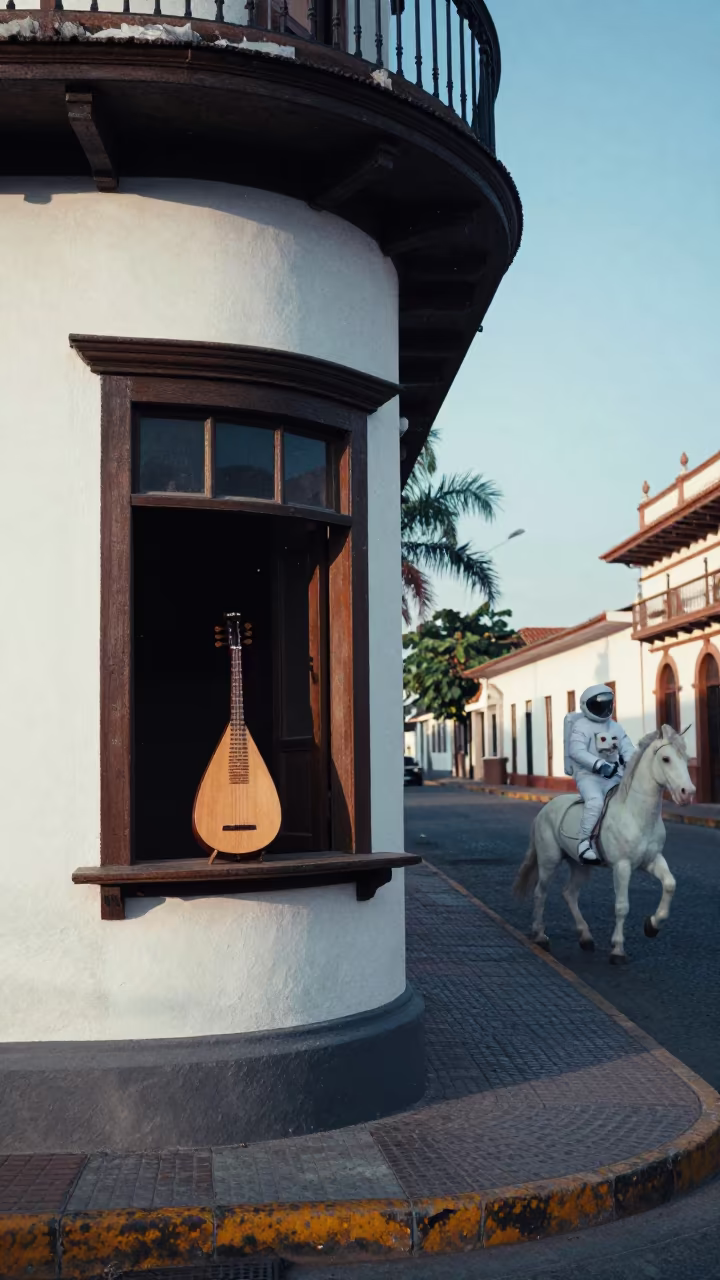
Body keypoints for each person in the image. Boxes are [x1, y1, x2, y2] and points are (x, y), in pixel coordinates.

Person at [568, 684, 634, 864]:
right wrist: (599, 764)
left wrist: (631, 761)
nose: (604, 708)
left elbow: (627, 746)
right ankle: (584, 843)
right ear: (586, 706)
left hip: (614, 774)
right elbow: (576, 751)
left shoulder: (615, 726)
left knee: (632, 800)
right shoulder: (581, 726)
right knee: (596, 802)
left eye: (607, 703)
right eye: (599, 705)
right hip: (589, 776)